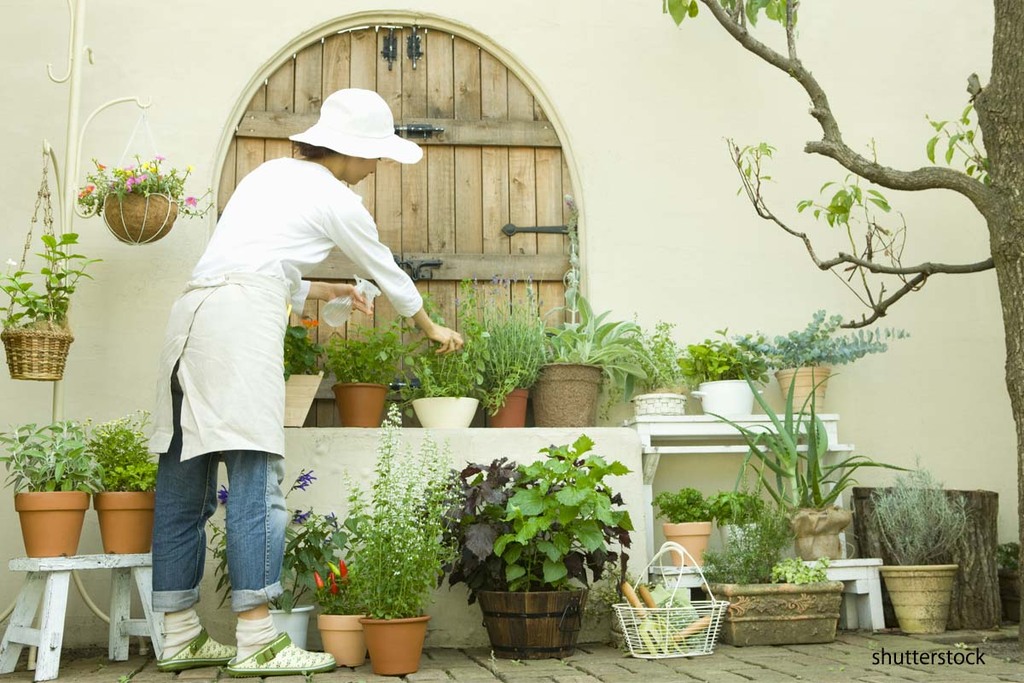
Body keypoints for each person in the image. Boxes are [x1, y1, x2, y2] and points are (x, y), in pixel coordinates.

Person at [148, 88, 463, 677]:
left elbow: (263, 263)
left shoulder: (269, 174)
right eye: (376, 156)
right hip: (239, 326)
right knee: (254, 477)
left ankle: (178, 633)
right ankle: (258, 638)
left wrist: (328, 291)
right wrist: (429, 324)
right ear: (354, 150)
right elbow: (385, 268)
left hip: (190, 317)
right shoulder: (339, 199)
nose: (377, 167)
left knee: (182, 481)